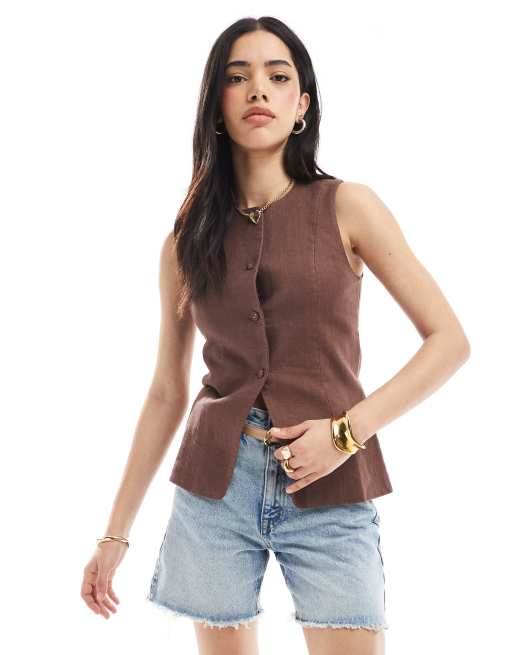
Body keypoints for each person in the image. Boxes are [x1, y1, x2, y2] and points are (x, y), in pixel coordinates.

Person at [80, 16, 471, 655]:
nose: (258, 89)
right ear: (216, 104)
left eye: (277, 76)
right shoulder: (184, 243)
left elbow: (449, 340)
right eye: (237, 77)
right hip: (216, 491)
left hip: (331, 485)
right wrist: (114, 534)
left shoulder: (349, 206)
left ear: (302, 105)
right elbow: (166, 392)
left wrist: (345, 434)